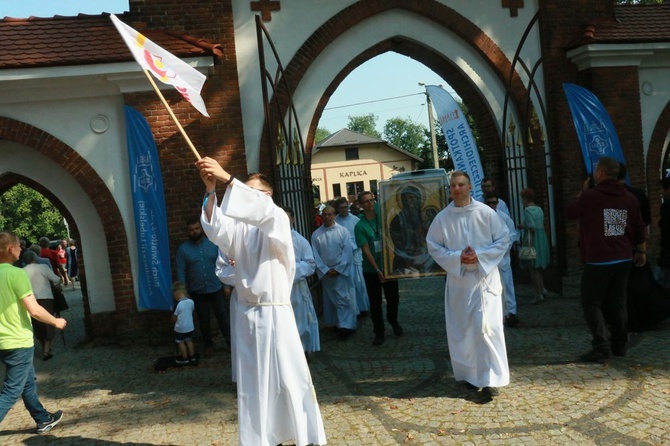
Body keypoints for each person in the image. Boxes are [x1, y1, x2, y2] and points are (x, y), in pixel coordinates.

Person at [196, 157, 326, 446]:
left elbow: (265, 213)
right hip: (246, 315)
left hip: (275, 314)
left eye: (249, 192)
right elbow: (216, 229)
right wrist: (211, 190)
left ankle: (303, 436)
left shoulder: (278, 220)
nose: (241, 197)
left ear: (265, 197)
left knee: (289, 379)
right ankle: (262, 439)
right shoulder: (241, 230)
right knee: (253, 384)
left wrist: (228, 178)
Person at [426, 171, 510, 397]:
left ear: (470, 187)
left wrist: (480, 256)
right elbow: (433, 245)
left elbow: (503, 239)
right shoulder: (442, 218)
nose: (457, 189)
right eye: (453, 186)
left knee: (488, 328)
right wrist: (457, 258)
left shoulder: (486, 213)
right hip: (460, 281)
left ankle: (491, 378)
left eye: (461, 185)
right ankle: (472, 375)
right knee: (464, 331)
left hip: (485, 279)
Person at [566, 157, 647, 362]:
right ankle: (619, 345)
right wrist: (641, 251)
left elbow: (571, 212)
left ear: (600, 173)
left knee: (591, 302)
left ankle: (601, 346)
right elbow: (639, 227)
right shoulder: (630, 198)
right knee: (618, 302)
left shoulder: (591, 196)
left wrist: (583, 191)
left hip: (598, 259)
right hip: (622, 258)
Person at [0, 230, 67, 434]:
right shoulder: (16, 274)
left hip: (3, 341)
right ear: (11, 248)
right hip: (17, 341)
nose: (22, 248)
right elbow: (35, 310)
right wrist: (56, 321)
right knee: (11, 390)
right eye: (19, 245)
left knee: (27, 382)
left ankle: (42, 418)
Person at [175, 218, 230, 356]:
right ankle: (208, 345)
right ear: (188, 232)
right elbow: (181, 271)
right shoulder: (183, 250)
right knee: (203, 319)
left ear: (202, 229)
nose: (195, 232)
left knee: (223, 316)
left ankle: (230, 342)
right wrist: (182, 292)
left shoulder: (213, 244)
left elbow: (222, 265)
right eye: (191, 230)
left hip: (215, 286)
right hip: (197, 290)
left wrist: (226, 285)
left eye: (197, 228)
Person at [355, 191, 403, 346]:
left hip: (389, 266)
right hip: (371, 270)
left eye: (372, 200)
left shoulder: (383, 218)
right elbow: (366, 249)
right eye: (366, 201)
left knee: (393, 298)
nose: (370, 204)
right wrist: (377, 270)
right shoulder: (360, 226)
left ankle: (393, 319)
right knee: (375, 303)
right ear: (361, 205)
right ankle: (379, 331)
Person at [312, 205, 358, 340]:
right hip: (326, 272)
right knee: (330, 299)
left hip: (340, 271)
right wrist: (325, 270)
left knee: (343, 299)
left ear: (334, 215)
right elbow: (315, 255)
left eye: (329, 214)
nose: (327, 217)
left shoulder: (343, 232)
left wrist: (338, 269)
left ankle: (346, 326)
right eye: (324, 215)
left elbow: (347, 252)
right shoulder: (316, 234)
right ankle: (335, 323)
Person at [284, 207, 320, 354]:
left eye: (287, 218)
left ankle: (302, 351)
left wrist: (290, 269)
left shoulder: (300, 240)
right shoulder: (269, 239)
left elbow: (311, 264)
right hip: (279, 289)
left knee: (301, 321)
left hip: (296, 287)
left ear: (293, 219)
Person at [485, 192, 520, 327]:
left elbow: (512, 234)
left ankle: (511, 312)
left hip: (503, 256)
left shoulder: (504, 217)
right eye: (489, 203)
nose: (492, 205)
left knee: (507, 284)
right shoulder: (481, 217)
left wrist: (504, 247)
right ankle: (495, 314)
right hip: (488, 258)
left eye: (494, 203)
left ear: (497, 203)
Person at [388, 184, 439, 276]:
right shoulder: (398, 219)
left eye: (414, 198)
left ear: (419, 199)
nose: (412, 201)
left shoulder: (426, 216)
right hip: (405, 259)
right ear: (403, 201)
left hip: (426, 257)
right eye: (408, 198)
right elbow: (398, 244)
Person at [22, 251, 62, 360]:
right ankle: (46, 350)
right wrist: (58, 287)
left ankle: (45, 346)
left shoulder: (22, 271)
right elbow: (56, 279)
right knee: (48, 322)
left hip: (31, 299)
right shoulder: (43, 267)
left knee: (37, 324)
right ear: (35, 258)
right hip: (46, 298)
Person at [334, 196, 370, 318]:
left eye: (345, 207)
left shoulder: (355, 220)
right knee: (347, 285)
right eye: (341, 208)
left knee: (359, 282)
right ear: (337, 209)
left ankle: (363, 307)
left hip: (355, 254)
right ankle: (352, 310)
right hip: (342, 257)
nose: (344, 210)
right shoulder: (335, 222)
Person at [518, 188, 551, 304]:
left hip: (533, 240)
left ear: (526, 199)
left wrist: (522, 226)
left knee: (533, 269)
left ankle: (538, 294)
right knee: (538, 268)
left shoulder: (527, 211)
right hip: (541, 237)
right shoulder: (539, 209)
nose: (522, 201)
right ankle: (542, 289)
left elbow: (531, 227)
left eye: (522, 198)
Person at [171, 281, 197, 365]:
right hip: (190, 326)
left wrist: (171, 320)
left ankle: (185, 358)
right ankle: (192, 357)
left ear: (176, 293)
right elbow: (192, 311)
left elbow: (174, 317)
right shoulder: (191, 301)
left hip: (180, 328)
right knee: (189, 341)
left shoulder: (178, 304)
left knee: (180, 342)